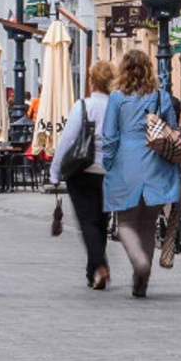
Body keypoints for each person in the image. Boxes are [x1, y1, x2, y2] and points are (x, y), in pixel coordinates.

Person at [101, 49, 180, 298]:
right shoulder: (162, 97)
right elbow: (174, 131)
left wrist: (108, 164)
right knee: (148, 222)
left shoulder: (116, 98)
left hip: (127, 161)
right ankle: (142, 276)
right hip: (157, 163)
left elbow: (110, 136)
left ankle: (139, 263)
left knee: (125, 221)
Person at [50, 60, 115, 290]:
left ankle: (99, 267)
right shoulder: (117, 106)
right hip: (109, 172)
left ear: (91, 81)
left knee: (87, 221)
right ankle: (93, 273)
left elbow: (67, 139)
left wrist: (55, 170)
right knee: (101, 221)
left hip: (82, 170)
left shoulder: (83, 106)